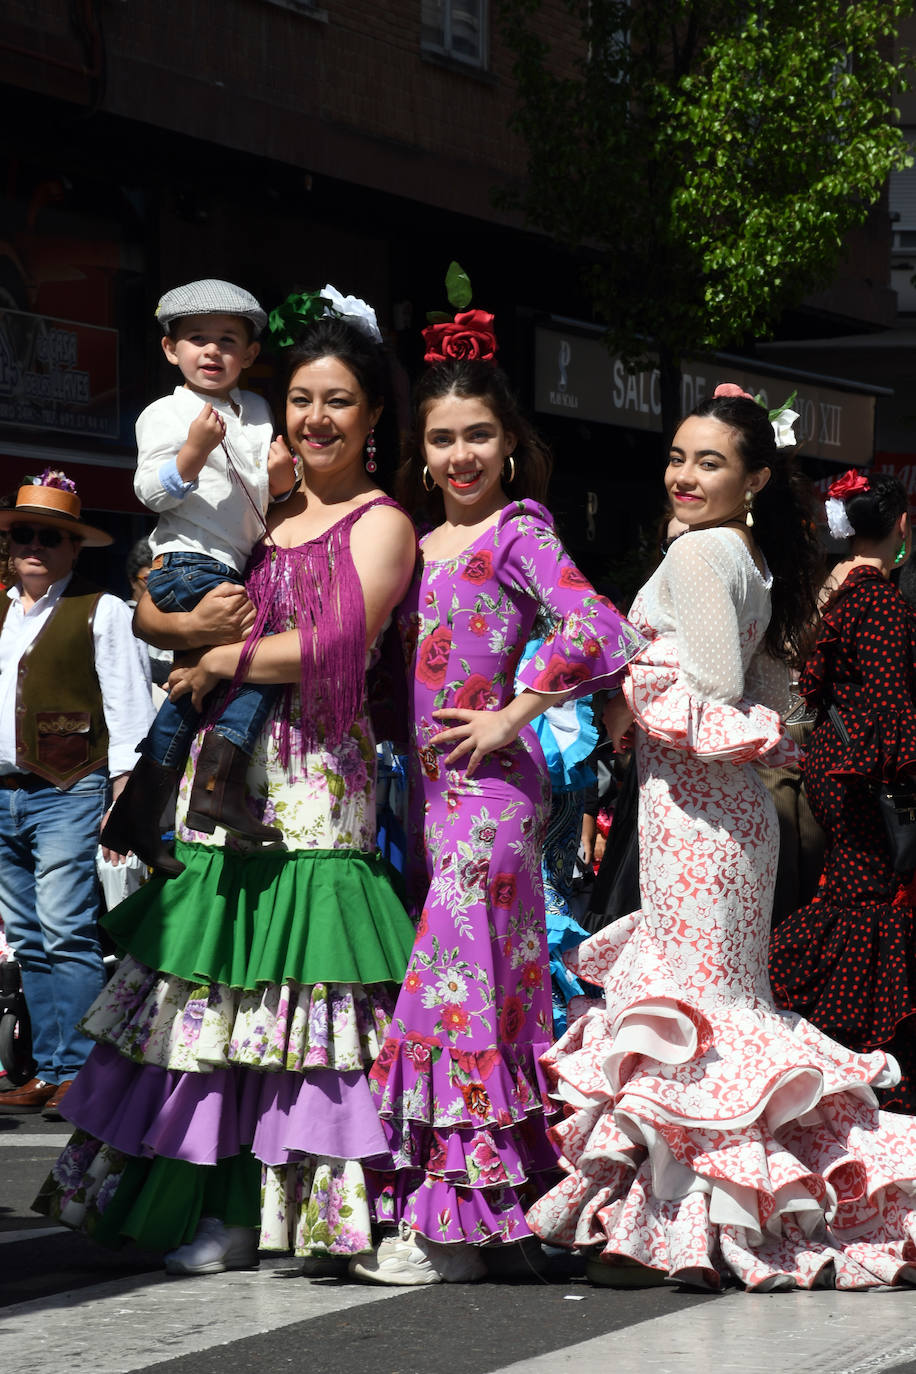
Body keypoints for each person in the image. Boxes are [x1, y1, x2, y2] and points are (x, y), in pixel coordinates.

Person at [34, 294, 419, 1274]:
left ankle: (296, 1212)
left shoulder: (382, 522)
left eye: (338, 401)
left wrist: (219, 660)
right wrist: (180, 633)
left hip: (316, 773)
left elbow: (341, 641)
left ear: (375, 413)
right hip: (222, 769)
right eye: (301, 400)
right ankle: (216, 1209)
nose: (316, 419)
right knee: (214, 1001)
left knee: (302, 1003)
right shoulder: (263, 507)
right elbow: (152, 601)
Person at [526, 386, 916, 1291]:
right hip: (725, 817)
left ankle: (677, 1231)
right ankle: (690, 1223)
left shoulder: (704, 551)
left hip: (700, 816)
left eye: (710, 461)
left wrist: (629, 682)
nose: (686, 475)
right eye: (677, 457)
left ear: (756, 478)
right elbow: (773, 698)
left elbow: (705, 694)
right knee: (707, 1019)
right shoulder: (752, 555)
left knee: (692, 1023)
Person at [351, 310, 643, 1286]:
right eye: (443, 438)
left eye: (479, 434)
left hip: (494, 802)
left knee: (453, 994)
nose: (462, 454)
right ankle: (505, 1218)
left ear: (510, 441)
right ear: (421, 451)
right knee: (487, 998)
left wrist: (512, 714)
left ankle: (449, 1235)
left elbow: (597, 627)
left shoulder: (519, 533)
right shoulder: (415, 541)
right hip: (430, 804)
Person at [101, 279, 298, 875]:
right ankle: (218, 785)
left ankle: (138, 813)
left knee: (194, 692)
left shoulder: (258, 411)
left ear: (250, 354)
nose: (212, 350)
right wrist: (192, 451)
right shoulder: (164, 413)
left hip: (231, 566)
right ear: (171, 350)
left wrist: (282, 481)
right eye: (197, 339)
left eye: (228, 340)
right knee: (265, 656)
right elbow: (149, 491)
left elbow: (261, 498)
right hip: (186, 561)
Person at [0, 470, 154, 1120]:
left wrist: (123, 794)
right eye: (24, 535)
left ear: (73, 547)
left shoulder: (103, 609)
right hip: (4, 792)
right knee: (27, 937)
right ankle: (52, 1067)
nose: (34, 547)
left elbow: (127, 705)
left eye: (49, 537)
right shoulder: (2, 611)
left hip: (68, 789)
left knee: (66, 930)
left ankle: (85, 1072)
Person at [770, 470, 916, 1112]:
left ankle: (842, 1042)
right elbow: (890, 706)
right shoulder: (881, 603)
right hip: (867, 781)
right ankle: (837, 1039)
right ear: (902, 526)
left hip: (838, 769)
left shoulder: (838, 593)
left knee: (858, 899)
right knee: (867, 905)